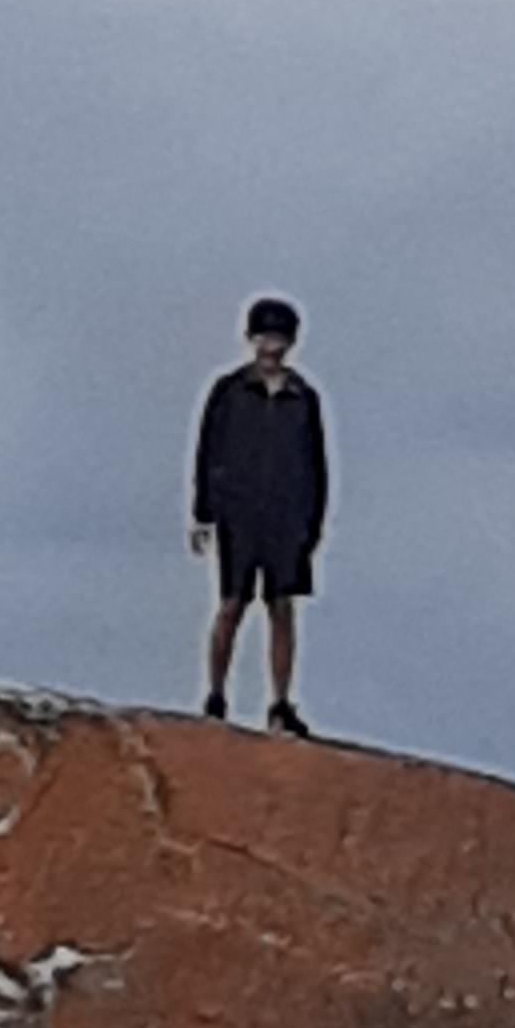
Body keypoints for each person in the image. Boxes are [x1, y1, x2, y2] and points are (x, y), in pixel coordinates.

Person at [191, 296, 328, 734]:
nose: (272, 346)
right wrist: (203, 512)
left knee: (282, 607)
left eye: (280, 338)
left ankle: (281, 704)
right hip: (239, 512)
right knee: (231, 604)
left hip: (287, 517)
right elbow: (208, 451)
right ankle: (216, 696)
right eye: (266, 337)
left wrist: (312, 524)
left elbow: (316, 465)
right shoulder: (229, 391)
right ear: (251, 339)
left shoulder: (303, 398)